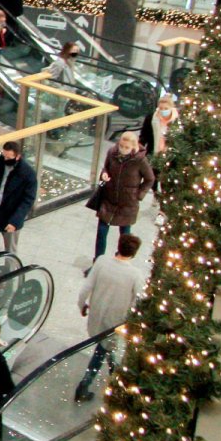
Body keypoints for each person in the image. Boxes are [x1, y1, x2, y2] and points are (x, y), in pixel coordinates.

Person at [74, 234, 146, 402]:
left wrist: (82, 305)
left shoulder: (101, 262)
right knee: (106, 351)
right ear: (134, 253)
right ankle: (88, 386)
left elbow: (86, 287)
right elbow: (138, 301)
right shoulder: (135, 275)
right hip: (116, 322)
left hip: (97, 315)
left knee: (103, 348)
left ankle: (108, 376)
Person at [93, 130, 155, 258]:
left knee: (125, 236)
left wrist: (138, 195)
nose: (123, 149)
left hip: (128, 203)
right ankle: (98, 261)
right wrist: (104, 175)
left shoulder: (140, 161)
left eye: (127, 147)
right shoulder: (112, 153)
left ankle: (121, 259)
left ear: (133, 146)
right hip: (109, 199)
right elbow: (106, 167)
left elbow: (150, 179)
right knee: (101, 232)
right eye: (121, 146)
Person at [139, 92, 176, 161]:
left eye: (166, 108)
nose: (163, 111)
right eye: (161, 108)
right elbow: (144, 136)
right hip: (152, 155)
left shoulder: (177, 121)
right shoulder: (151, 118)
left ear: (171, 108)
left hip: (171, 158)